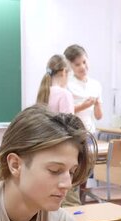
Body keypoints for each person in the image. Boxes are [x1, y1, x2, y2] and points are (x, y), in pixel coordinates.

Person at [36, 54, 80, 206]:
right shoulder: (64, 94)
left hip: (48, 154)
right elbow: (71, 128)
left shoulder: (43, 93)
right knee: (71, 203)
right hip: (64, 154)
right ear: (63, 72)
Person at [64, 44, 103, 135]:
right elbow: (64, 113)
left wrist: (97, 104)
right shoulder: (67, 84)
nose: (82, 67)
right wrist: (83, 106)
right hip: (72, 134)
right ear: (69, 66)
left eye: (84, 62)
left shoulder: (95, 85)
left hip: (90, 133)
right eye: (77, 64)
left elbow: (98, 116)